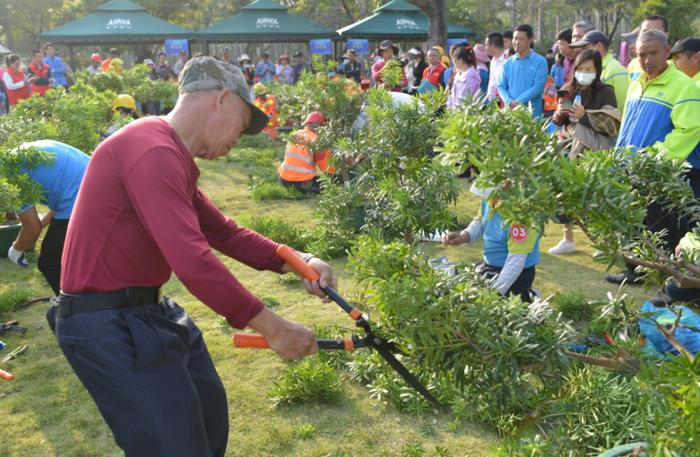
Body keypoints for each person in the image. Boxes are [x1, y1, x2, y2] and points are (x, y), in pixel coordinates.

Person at [56, 57, 335, 457]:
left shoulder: (169, 155)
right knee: (174, 446)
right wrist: (272, 326)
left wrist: (298, 261)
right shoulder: (149, 148)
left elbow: (223, 231)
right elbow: (192, 259)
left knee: (209, 417)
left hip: (146, 311)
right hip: (104, 322)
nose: (239, 138)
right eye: (242, 124)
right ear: (221, 100)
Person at [606, 30, 700, 284]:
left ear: (667, 51)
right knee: (634, 224)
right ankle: (636, 271)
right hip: (630, 168)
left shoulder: (683, 87)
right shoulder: (637, 83)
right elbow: (628, 125)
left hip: (660, 174)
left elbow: (689, 130)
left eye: (653, 53)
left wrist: (653, 160)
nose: (647, 60)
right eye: (641, 54)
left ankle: (666, 283)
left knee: (661, 230)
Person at [548, 49, 620, 255]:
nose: (584, 73)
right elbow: (560, 121)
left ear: (597, 71)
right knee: (566, 193)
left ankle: (602, 242)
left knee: (595, 194)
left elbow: (610, 124)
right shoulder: (569, 88)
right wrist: (560, 115)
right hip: (569, 148)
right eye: (580, 68)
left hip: (592, 151)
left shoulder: (606, 91)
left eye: (589, 69)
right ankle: (567, 238)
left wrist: (585, 115)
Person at [6, 140, 89, 296]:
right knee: (77, 259)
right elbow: (55, 208)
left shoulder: (9, 179)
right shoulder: (16, 157)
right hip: (94, 185)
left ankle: (74, 310)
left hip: (82, 198)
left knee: (49, 262)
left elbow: (32, 228)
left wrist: (15, 250)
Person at [442, 185, 541, 302]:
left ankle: (530, 296)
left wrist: (495, 293)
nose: (488, 199)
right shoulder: (489, 198)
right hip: (490, 264)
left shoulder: (522, 216)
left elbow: (515, 263)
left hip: (517, 273)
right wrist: (464, 235)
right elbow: (480, 221)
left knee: (508, 308)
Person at [570, 30, 629, 113]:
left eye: (585, 48)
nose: (581, 51)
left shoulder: (616, 70)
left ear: (599, 46)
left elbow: (621, 106)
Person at [497, 24, 549, 117]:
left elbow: (538, 87)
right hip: (510, 113)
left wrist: (518, 101)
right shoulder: (508, 63)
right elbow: (501, 86)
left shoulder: (540, 61)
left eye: (521, 39)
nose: (517, 42)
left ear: (530, 40)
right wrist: (509, 101)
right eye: (515, 38)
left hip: (531, 115)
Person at [670, 38, 700, 199]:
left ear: (696, 58)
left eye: (677, 58)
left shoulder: (694, 87)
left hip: (694, 163)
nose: (674, 64)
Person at [278, 111, 333, 194]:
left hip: (283, 180)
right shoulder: (317, 141)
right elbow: (326, 169)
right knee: (326, 186)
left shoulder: (295, 134)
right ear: (321, 127)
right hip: (302, 183)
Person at [628, 15, 668, 82]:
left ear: (666, 35)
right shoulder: (633, 65)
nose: (650, 35)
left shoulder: (679, 64)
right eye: (645, 31)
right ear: (638, 35)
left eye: (656, 31)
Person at [485, 32, 508, 102]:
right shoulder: (493, 60)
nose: (485, 47)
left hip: (503, 101)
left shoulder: (507, 60)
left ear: (493, 46)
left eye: (486, 45)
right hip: (492, 101)